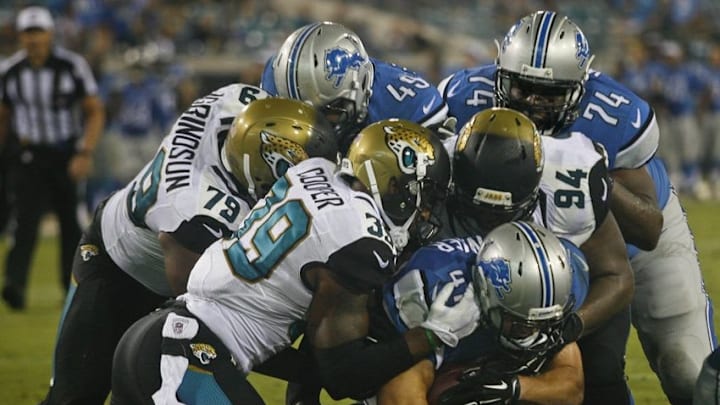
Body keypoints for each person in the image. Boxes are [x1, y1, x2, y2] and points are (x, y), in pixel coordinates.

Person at [439, 10, 717, 405]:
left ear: (580, 86)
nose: (533, 104)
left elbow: (649, 229)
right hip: (538, 244)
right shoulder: (462, 98)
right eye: (521, 89)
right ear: (500, 75)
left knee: (686, 367)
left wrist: (595, 178)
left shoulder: (614, 115)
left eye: (549, 94)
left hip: (622, 235)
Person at [110, 119, 478, 404]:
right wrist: (430, 335)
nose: (427, 211)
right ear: (396, 184)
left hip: (160, 339)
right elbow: (343, 375)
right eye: (425, 195)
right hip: (186, 360)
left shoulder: (314, 170)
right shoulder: (362, 246)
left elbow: (316, 352)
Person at [40, 94, 339, 405]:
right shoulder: (196, 212)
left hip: (167, 264)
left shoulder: (237, 102)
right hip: (117, 267)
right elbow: (211, 315)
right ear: (266, 168)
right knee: (73, 397)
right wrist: (318, 370)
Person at [437, 105, 634, 404]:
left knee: (601, 371)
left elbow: (616, 275)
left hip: (558, 299)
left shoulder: (570, 184)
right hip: (464, 302)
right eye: (480, 209)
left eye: (502, 211)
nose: (491, 221)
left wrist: (568, 328)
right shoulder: (432, 177)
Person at [378, 220, 588, 405]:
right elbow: (398, 397)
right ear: (486, 295)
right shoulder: (440, 295)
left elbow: (572, 388)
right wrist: (432, 334)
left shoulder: (547, 294)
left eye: (543, 324)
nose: (534, 332)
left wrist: (514, 387)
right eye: (521, 323)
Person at [0, 6, 105, 310]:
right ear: (20, 36)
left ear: (50, 34)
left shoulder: (71, 66)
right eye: (28, 33)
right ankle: (14, 286)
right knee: (25, 222)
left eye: (38, 32)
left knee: (70, 224)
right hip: (29, 153)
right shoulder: (11, 71)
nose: (33, 39)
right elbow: (4, 115)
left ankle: (69, 286)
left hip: (65, 153)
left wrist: (85, 151)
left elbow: (94, 110)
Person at [260, 21, 450, 152]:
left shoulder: (409, 103)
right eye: (303, 114)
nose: (312, 129)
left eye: (326, 114)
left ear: (362, 86)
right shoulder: (276, 79)